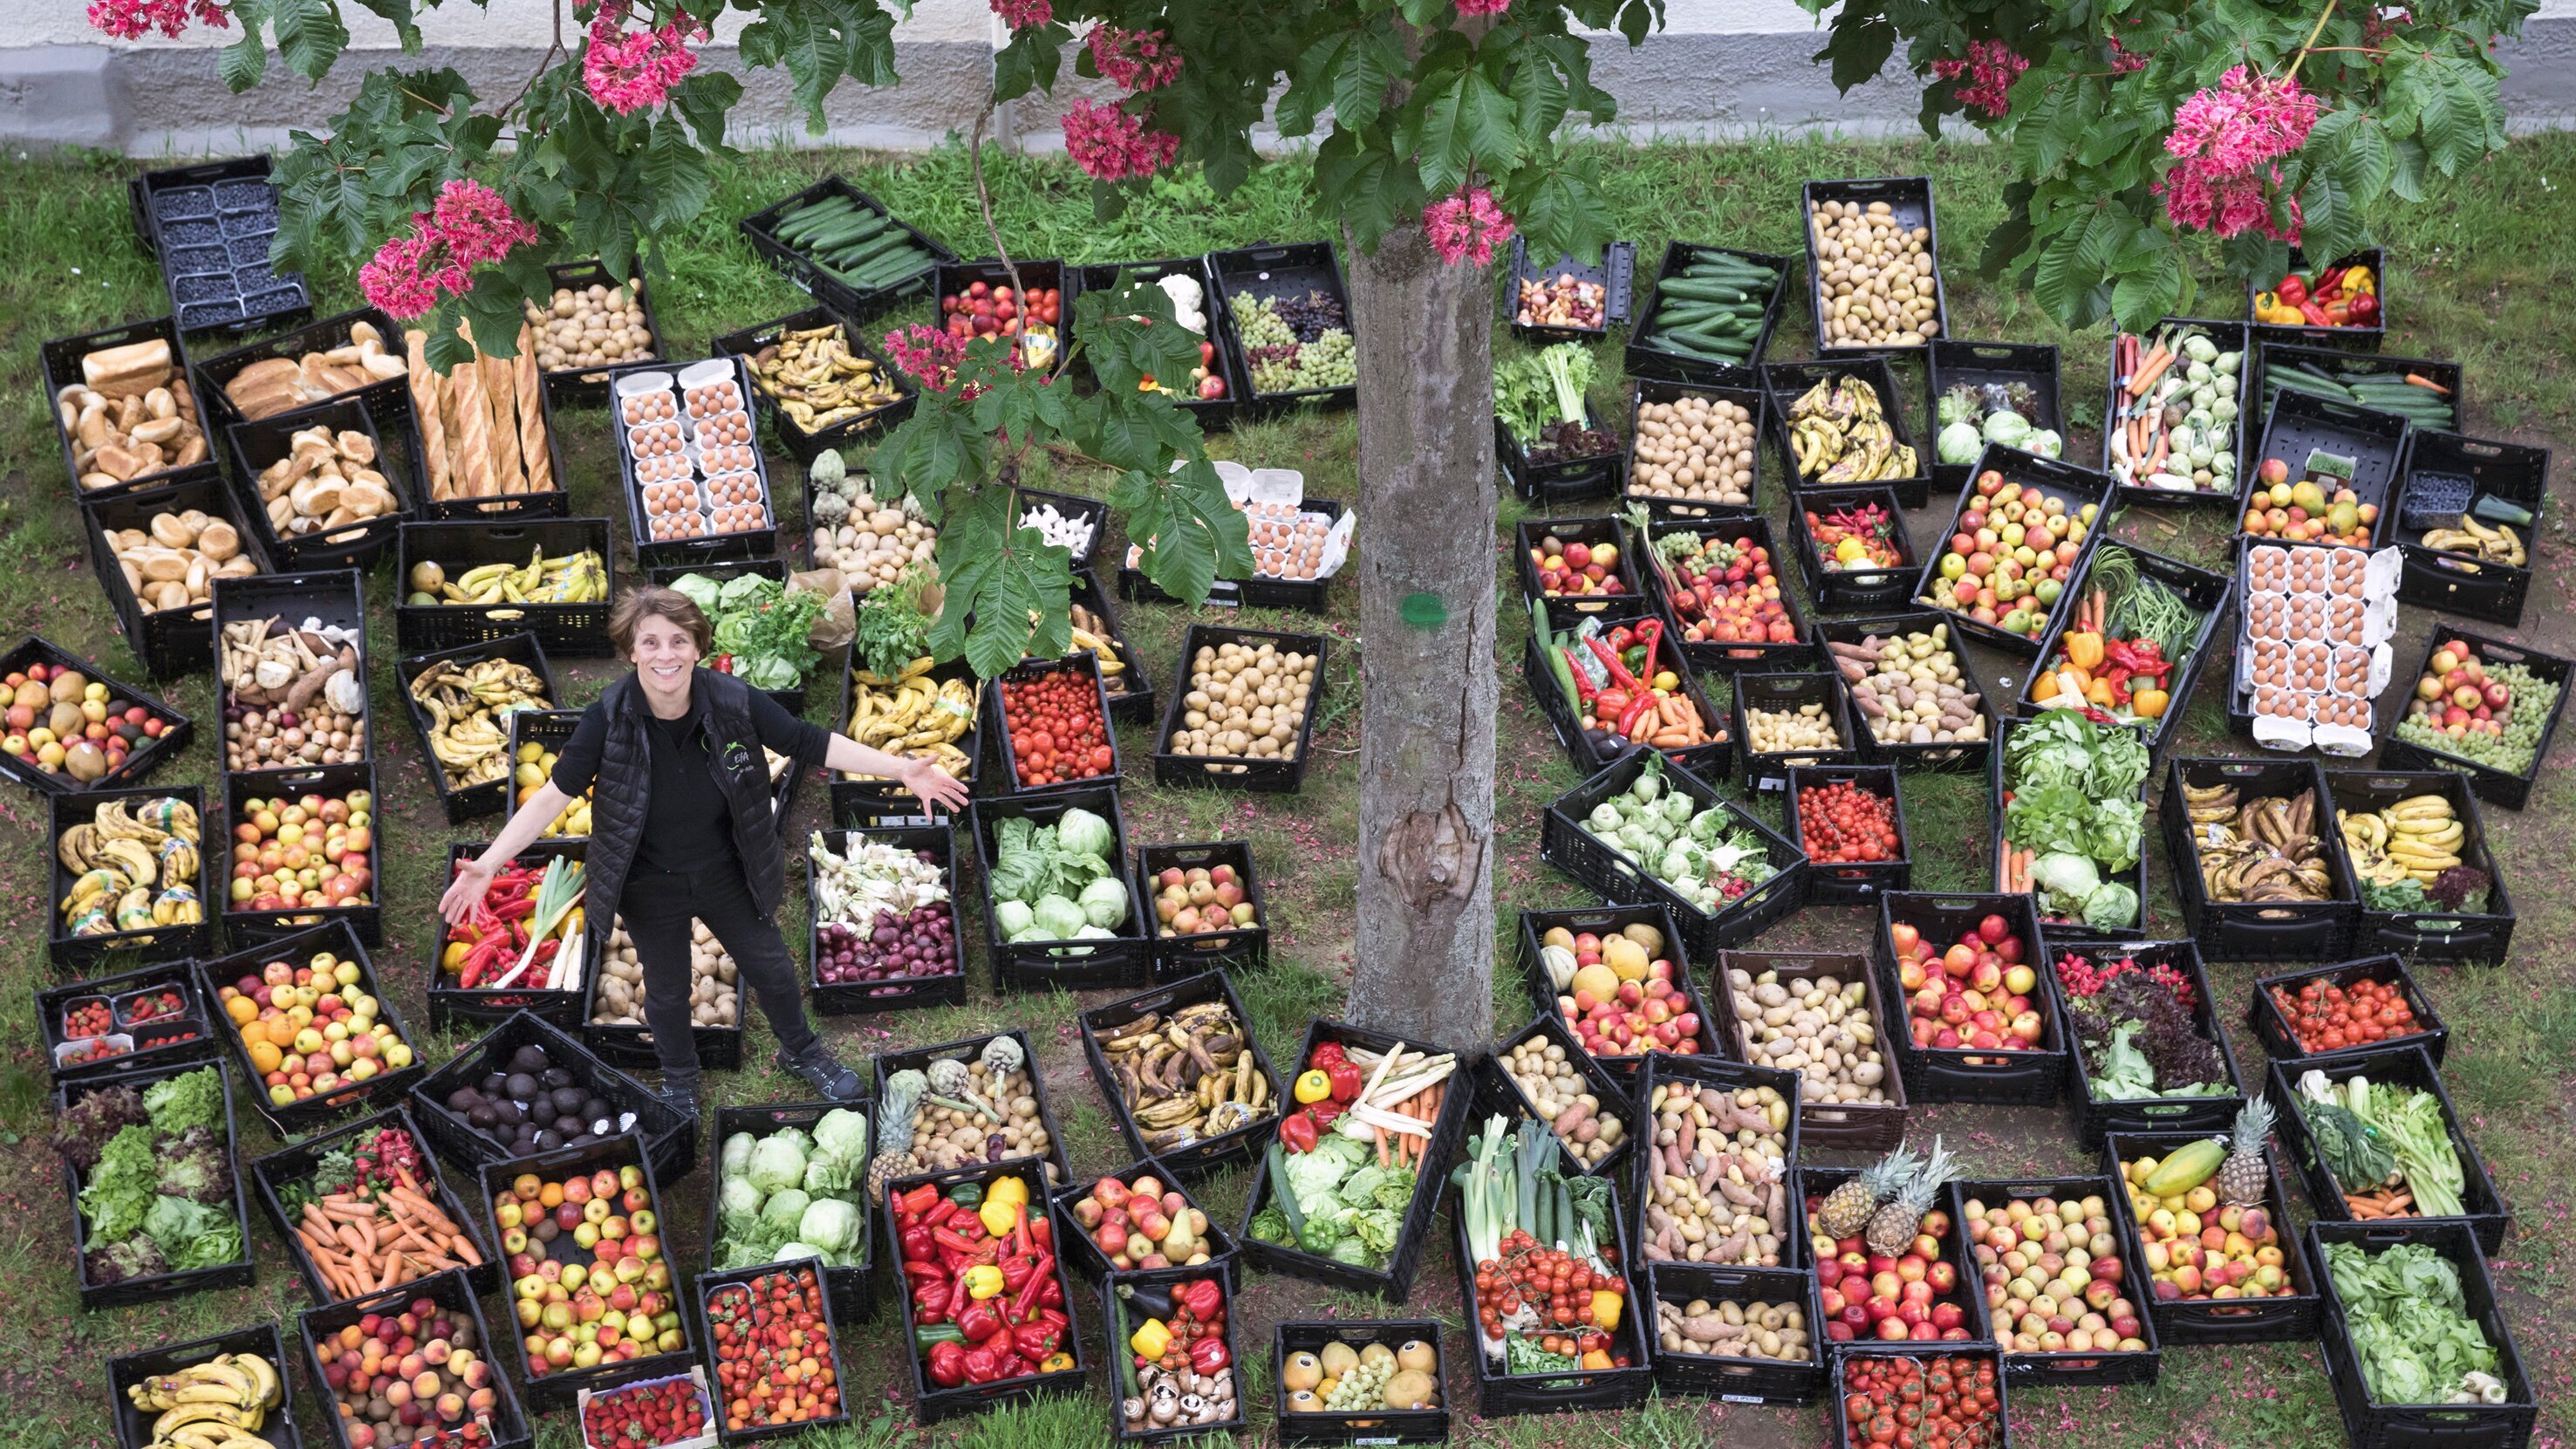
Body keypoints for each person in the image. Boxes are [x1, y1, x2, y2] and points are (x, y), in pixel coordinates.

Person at [441, 584, 969, 1114]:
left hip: (726, 870)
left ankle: (803, 1052)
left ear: (698, 647)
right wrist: (489, 864)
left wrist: (902, 768)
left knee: (772, 969)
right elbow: (554, 795)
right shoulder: (609, 716)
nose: (665, 655)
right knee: (667, 992)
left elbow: (809, 740)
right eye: (650, 643)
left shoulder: (731, 700)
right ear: (631, 651)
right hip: (648, 883)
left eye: (678, 641)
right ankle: (679, 1079)